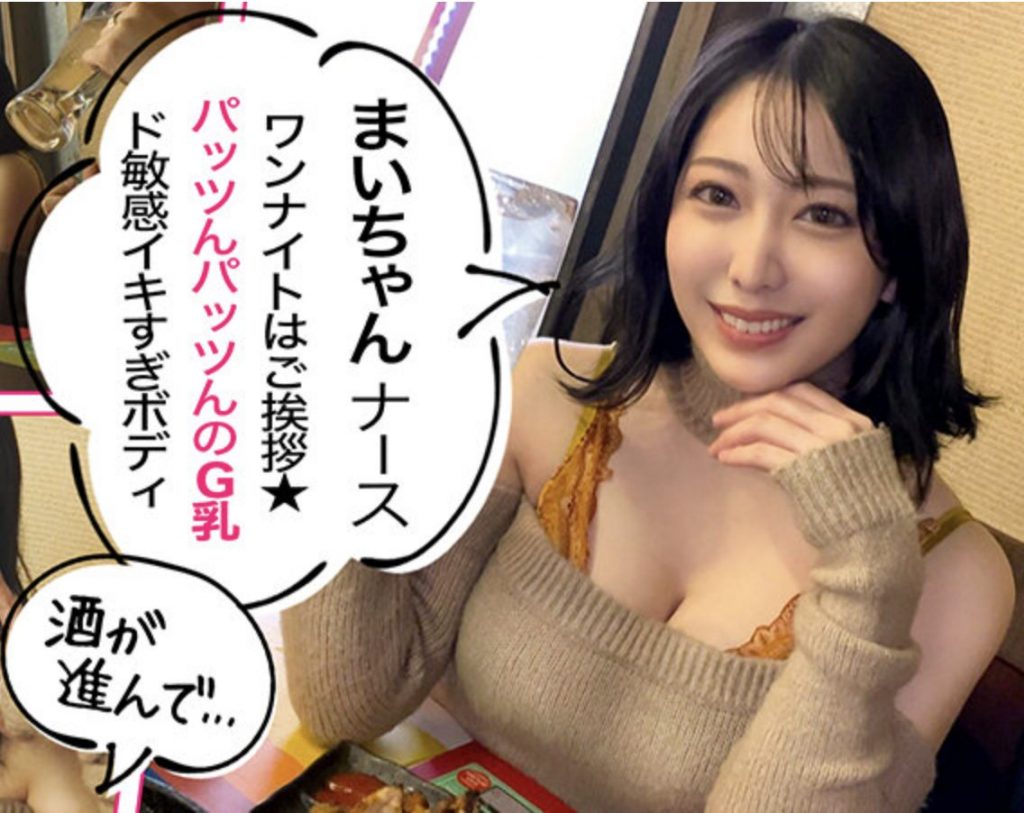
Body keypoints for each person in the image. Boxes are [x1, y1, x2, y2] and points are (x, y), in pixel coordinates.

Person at [284, 15, 1016, 811]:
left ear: (899, 261)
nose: (752, 267)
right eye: (717, 195)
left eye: (824, 215)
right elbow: (348, 700)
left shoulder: (953, 575)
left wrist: (868, 580)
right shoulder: (550, 397)